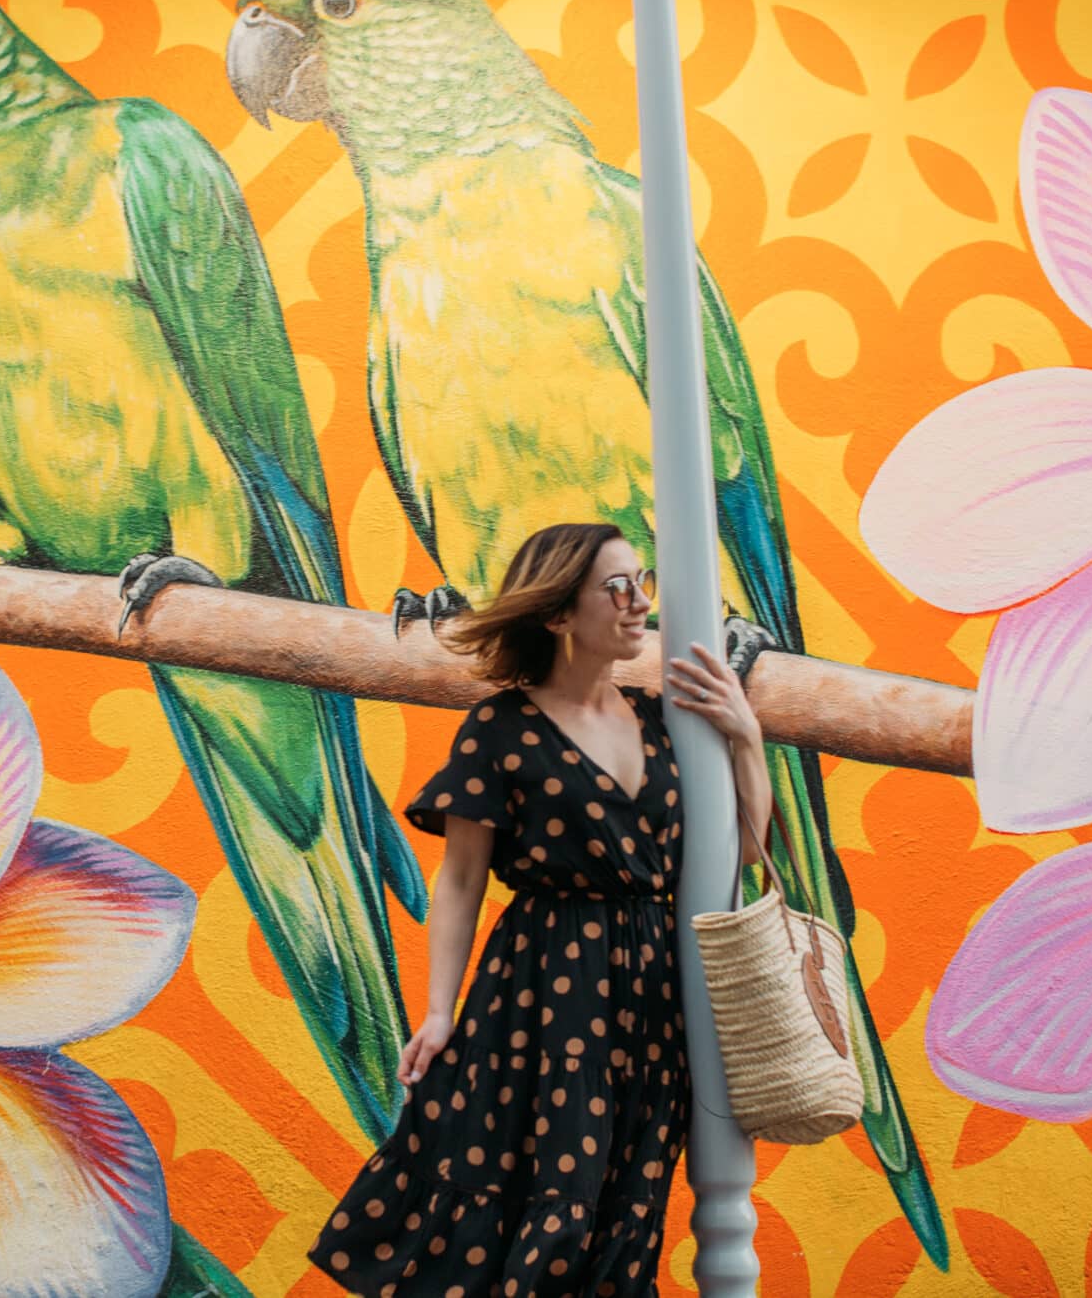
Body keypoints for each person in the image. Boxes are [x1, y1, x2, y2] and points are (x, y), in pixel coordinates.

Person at [309, 521, 772, 1297]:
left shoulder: (665, 720)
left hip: (651, 997)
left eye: (641, 582)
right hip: (541, 987)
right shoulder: (500, 728)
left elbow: (745, 856)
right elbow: (458, 882)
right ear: (558, 613)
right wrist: (437, 1010)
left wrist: (747, 737)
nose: (638, 604)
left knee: (627, 1196)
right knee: (548, 1193)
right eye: (616, 587)